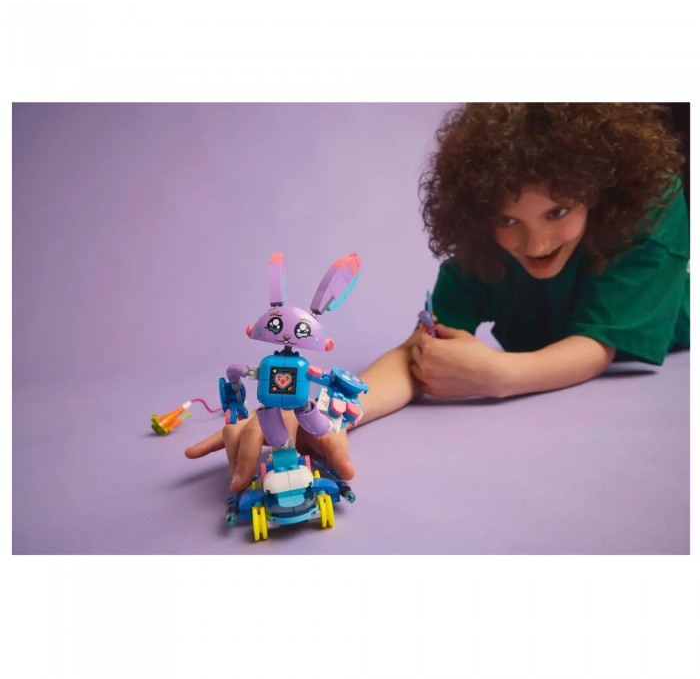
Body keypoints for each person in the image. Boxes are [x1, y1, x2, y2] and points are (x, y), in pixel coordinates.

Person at [185, 103, 690, 491]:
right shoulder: (482, 248)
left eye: (557, 212)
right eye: (508, 219)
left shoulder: (651, 208)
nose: (535, 244)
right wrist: (313, 410)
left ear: (600, 192)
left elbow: (599, 345)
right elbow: (420, 354)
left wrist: (498, 374)